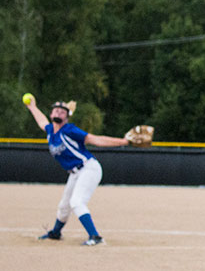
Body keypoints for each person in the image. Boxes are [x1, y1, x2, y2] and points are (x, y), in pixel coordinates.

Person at [24, 95, 132, 246]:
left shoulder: (69, 130)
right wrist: (32, 107)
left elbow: (95, 139)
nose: (58, 113)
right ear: (51, 114)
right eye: (55, 111)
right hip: (75, 173)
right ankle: (56, 233)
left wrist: (124, 142)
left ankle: (95, 237)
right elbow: (42, 122)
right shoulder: (50, 131)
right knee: (64, 206)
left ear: (67, 117)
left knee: (77, 201)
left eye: (62, 112)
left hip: (89, 168)